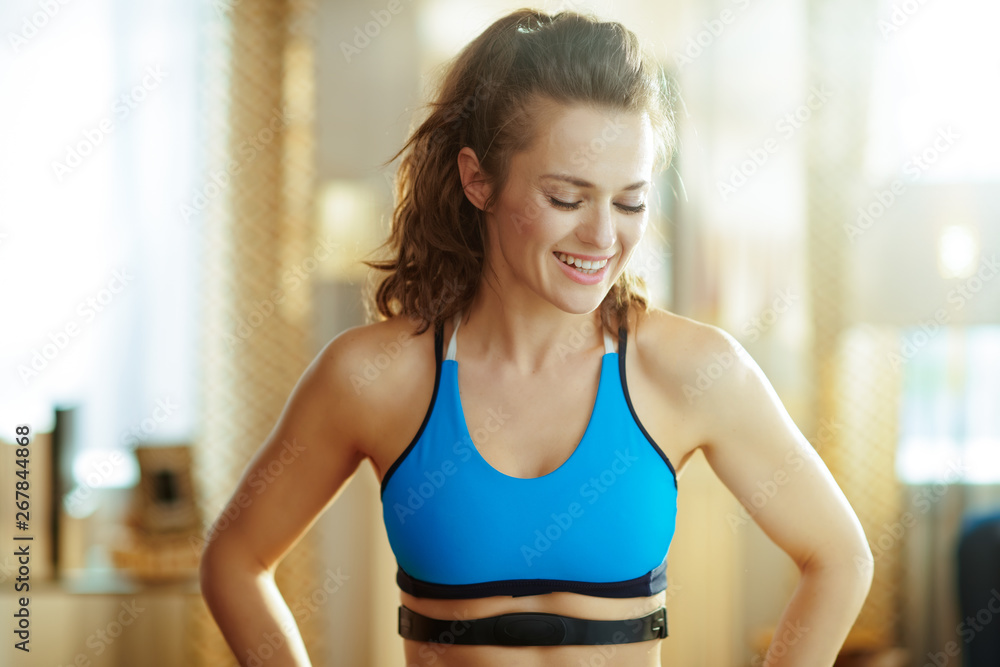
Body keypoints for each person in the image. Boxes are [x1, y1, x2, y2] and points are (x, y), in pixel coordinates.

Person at [199, 8, 874, 667]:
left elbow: (840, 557)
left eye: (631, 201)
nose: (604, 236)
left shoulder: (694, 370)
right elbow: (234, 560)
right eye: (567, 197)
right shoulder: (373, 376)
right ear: (478, 179)